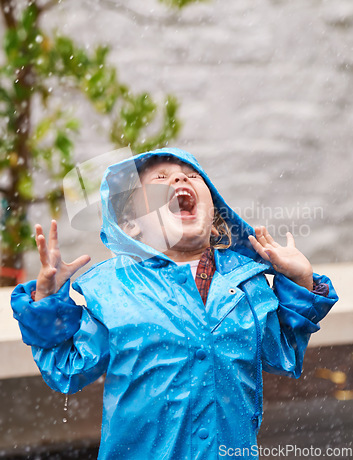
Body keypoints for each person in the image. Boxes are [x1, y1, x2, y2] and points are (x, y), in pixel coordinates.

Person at [11, 147, 338, 460]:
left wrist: (301, 280)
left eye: (193, 177)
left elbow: (284, 353)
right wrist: (48, 302)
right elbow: (66, 371)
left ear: (214, 222)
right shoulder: (110, 290)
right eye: (160, 179)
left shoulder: (249, 286)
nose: (180, 181)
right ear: (131, 226)